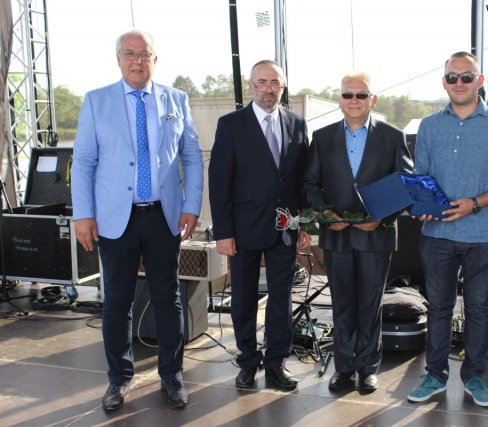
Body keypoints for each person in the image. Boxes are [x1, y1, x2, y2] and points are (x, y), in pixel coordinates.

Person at [71, 29, 203, 410]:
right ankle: (118, 379)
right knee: (117, 301)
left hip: (164, 217)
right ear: (118, 59)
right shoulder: (96, 101)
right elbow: (83, 163)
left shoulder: (176, 100)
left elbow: (192, 157)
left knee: (168, 299)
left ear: (154, 60)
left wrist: (191, 205)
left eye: (144, 54)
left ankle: (172, 376)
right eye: (129, 54)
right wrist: (83, 215)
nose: (137, 60)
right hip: (115, 219)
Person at [406, 51, 488, 407]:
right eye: (452, 77)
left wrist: (474, 203)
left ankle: (474, 375)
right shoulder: (430, 125)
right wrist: (421, 206)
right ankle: (435, 375)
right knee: (439, 308)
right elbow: (420, 176)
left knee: (477, 308)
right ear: (444, 82)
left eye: (466, 76)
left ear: (480, 80)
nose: (458, 83)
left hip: (482, 234)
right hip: (437, 235)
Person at [302, 72, 413, 392]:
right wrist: (324, 212)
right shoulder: (322, 137)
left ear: (372, 100)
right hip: (336, 236)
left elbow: (405, 184)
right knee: (342, 304)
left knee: (370, 305)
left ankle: (367, 368)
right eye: (348, 95)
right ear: (339, 100)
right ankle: (344, 367)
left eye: (361, 95)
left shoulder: (392, 136)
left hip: (375, 236)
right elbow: (309, 183)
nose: (354, 101)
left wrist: (382, 217)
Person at [209, 60, 310, 390]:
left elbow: (303, 178)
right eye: (262, 82)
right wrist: (224, 232)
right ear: (251, 86)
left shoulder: (297, 123)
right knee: (243, 298)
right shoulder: (231, 125)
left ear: (283, 86)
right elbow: (219, 182)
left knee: (282, 299)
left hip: (285, 227)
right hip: (243, 229)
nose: (268, 88)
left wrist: (305, 223)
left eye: (274, 82)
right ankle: (248, 361)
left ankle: (277, 363)